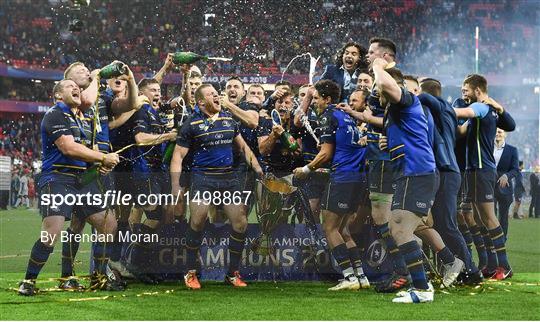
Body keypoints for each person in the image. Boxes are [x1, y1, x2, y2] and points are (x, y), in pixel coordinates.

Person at [18, 80, 121, 296]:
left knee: (108, 224)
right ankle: (28, 281)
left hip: (82, 180)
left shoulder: (82, 119)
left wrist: (98, 165)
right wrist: (103, 157)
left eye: (78, 87)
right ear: (57, 96)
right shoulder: (55, 114)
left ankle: (99, 277)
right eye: (69, 86)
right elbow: (69, 147)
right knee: (51, 233)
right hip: (57, 178)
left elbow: (85, 152)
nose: (76, 89)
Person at [170, 84, 263, 290]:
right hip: (203, 178)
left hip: (228, 180)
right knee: (197, 221)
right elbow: (178, 156)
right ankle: (191, 272)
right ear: (201, 102)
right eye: (211, 94)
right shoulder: (191, 124)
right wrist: (176, 185)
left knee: (240, 224)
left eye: (216, 93)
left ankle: (232, 273)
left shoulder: (229, 120)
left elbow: (243, 147)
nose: (217, 96)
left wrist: (257, 168)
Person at [293, 80, 370, 291]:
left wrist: (306, 169)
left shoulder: (329, 115)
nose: (315, 102)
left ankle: (348, 277)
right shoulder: (346, 115)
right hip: (357, 177)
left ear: (327, 99)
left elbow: (326, 153)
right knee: (343, 229)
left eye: (316, 98)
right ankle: (361, 276)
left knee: (329, 227)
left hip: (342, 177)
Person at [372, 60, 438, 303]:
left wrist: (378, 66)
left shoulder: (407, 99)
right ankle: (421, 281)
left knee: (400, 227)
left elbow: (385, 84)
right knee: (399, 228)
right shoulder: (393, 112)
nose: (376, 92)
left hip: (416, 172)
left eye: (378, 89)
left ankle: (422, 288)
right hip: (410, 173)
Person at [417, 78, 481, 285]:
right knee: (441, 224)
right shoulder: (443, 112)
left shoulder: (439, 105)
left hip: (445, 170)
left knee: (447, 225)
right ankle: (457, 267)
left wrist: (408, 94)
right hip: (445, 170)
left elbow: (425, 96)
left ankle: (471, 271)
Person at [453, 74, 513, 280]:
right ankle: (488, 262)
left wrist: (441, 110)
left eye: (465, 91)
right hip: (472, 169)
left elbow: (464, 111)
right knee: (472, 215)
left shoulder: (480, 108)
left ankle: (504, 265)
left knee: (487, 216)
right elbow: (461, 130)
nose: (463, 95)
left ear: (477, 91)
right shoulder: (477, 116)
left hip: (482, 169)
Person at [127, 78, 177, 283]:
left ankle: (143, 264)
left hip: (158, 170)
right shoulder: (141, 111)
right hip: (144, 169)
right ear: (142, 92)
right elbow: (140, 139)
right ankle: (135, 263)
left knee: (162, 218)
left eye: (159, 90)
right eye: (153, 90)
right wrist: (168, 136)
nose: (158, 93)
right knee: (154, 216)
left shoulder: (154, 112)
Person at [493, 129, 519, 239]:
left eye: (500, 132)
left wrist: (506, 176)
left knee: (503, 217)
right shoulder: (487, 147)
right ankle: (491, 240)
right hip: (489, 185)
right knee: (490, 216)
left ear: (505, 134)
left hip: (505, 187)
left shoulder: (512, 150)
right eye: (496, 132)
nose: (497, 134)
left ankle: (502, 241)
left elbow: (515, 169)